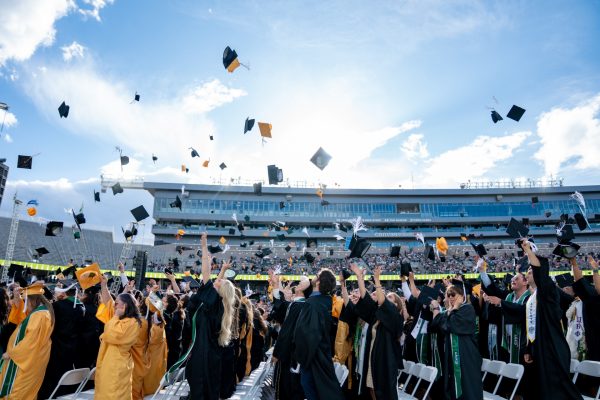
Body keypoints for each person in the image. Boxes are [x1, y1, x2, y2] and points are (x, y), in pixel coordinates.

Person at [521, 240, 582, 399]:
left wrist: (528, 251)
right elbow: (531, 325)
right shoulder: (532, 298)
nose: (528, 273)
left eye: (530, 270)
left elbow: (540, 271)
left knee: (557, 391)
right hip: (539, 348)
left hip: (552, 347)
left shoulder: (548, 291)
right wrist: (529, 349)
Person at [185, 233, 236, 400]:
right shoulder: (221, 305)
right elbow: (212, 284)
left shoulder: (214, 302)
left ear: (220, 290)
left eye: (218, 282)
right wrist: (222, 271)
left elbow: (206, 275)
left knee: (200, 393)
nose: (216, 281)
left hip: (203, 357)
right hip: (211, 356)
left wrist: (204, 247)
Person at [350, 264, 404, 400]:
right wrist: (359, 278)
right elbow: (365, 298)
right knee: (372, 388)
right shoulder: (377, 314)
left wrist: (377, 281)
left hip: (386, 360)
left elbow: (383, 302)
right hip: (373, 357)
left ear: (397, 305)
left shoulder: (396, 318)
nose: (386, 298)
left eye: (390, 297)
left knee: (384, 392)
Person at [293, 268, 345, 400]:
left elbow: (306, 332)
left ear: (319, 282)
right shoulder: (327, 301)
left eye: (316, 275)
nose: (313, 277)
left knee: (309, 385)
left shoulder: (313, 304)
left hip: (313, 354)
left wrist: (302, 356)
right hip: (323, 352)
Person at [0, 282, 54, 399]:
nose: (25, 305)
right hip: (34, 360)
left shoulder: (40, 315)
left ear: (32, 300)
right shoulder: (41, 311)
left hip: (27, 362)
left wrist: (11, 353)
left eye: (26, 301)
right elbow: (22, 317)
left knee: (17, 393)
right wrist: (17, 297)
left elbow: (30, 342)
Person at [429, 283, 483, 400]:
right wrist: (440, 308)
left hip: (466, 355)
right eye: (448, 295)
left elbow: (451, 326)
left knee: (468, 386)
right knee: (454, 385)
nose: (450, 297)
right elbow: (435, 325)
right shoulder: (449, 311)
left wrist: (453, 308)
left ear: (461, 296)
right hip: (452, 355)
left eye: (453, 294)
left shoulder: (467, 308)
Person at [94, 274, 142, 400]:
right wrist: (104, 285)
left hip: (117, 364)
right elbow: (108, 302)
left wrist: (115, 315)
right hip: (108, 361)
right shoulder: (119, 318)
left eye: (117, 304)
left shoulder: (132, 322)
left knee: (114, 394)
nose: (114, 306)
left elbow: (112, 335)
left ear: (125, 306)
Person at [39, 280, 86, 399]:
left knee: (52, 379)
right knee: (65, 378)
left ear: (64, 291)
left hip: (56, 348)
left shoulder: (58, 306)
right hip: (72, 349)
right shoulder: (81, 306)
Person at [272, 274, 310, 400]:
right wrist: (275, 286)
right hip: (292, 353)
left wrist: (277, 352)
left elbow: (286, 331)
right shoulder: (298, 305)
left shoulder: (299, 306)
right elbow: (279, 312)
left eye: (302, 282)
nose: (299, 282)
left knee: (286, 388)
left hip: (289, 354)